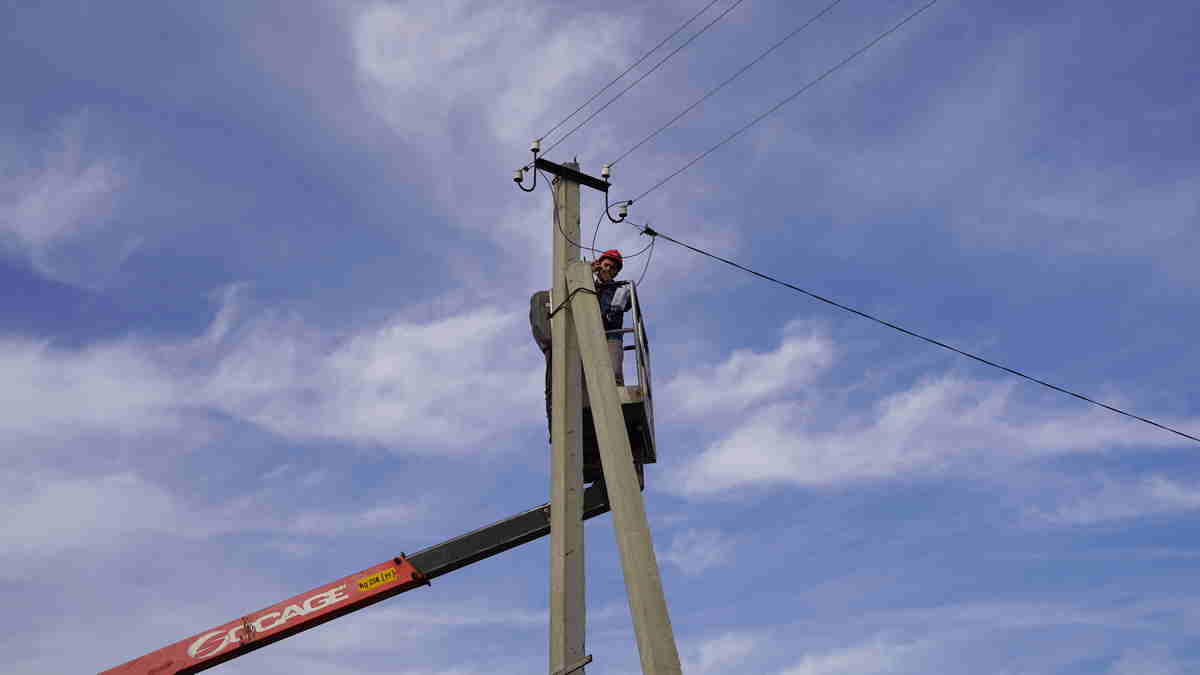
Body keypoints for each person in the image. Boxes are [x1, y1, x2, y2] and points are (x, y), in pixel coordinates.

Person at [529, 249, 632, 434]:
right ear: (600, 264)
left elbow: (626, 304)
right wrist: (587, 271)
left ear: (617, 272)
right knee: (581, 371)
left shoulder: (620, 289)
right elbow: (567, 293)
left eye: (613, 267)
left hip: (610, 334)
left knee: (613, 372)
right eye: (606, 265)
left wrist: (609, 287)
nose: (609, 269)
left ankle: (614, 406)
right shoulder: (585, 284)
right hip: (586, 332)